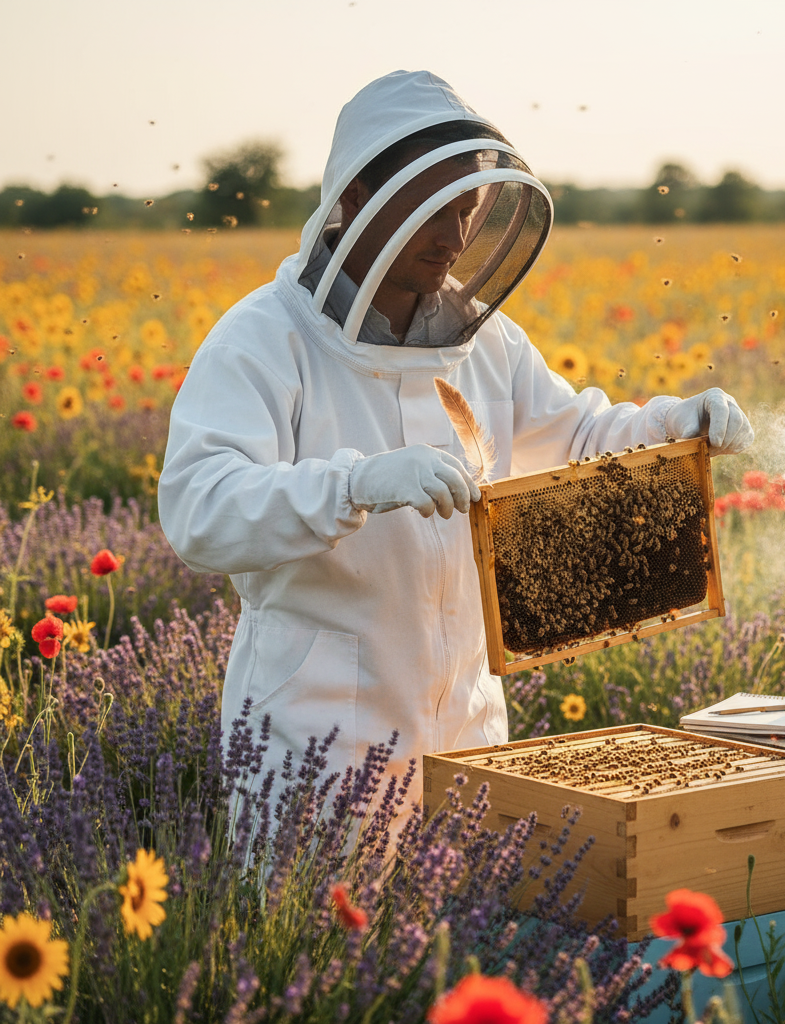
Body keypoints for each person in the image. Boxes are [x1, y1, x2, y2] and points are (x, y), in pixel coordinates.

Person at [158, 70, 754, 823]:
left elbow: (575, 440)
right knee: (316, 940)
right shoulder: (263, 340)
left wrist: (674, 424)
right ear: (354, 200)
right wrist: (355, 486)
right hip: (316, 738)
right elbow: (199, 510)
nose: (454, 237)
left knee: (466, 935)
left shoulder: (485, 341)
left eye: (467, 209)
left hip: (469, 728)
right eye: (430, 211)